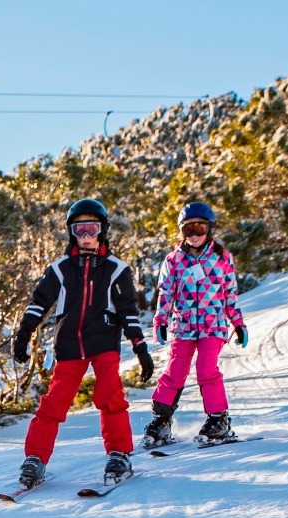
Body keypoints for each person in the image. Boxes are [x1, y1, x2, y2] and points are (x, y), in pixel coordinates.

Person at [12, 199, 154, 488]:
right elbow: (39, 303)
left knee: (110, 396)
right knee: (54, 402)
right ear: (71, 233)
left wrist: (140, 347)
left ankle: (119, 454)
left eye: (93, 229)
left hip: (104, 342)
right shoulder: (60, 269)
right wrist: (24, 333)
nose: (87, 236)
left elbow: (128, 312)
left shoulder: (117, 270)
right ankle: (35, 459)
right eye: (80, 229)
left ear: (102, 232)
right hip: (69, 346)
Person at [142, 202, 248, 447]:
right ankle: (161, 420)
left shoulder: (222, 258)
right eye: (189, 229)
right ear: (181, 232)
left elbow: (230, 295)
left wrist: (238, 324)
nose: (195, 235)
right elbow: (166, 293)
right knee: (174, 371)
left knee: (206, 368)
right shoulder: (174, 260)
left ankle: (218, 419)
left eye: (200, 228)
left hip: (213, 325)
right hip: (184, 326)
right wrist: (161, 320)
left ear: (209, 230)